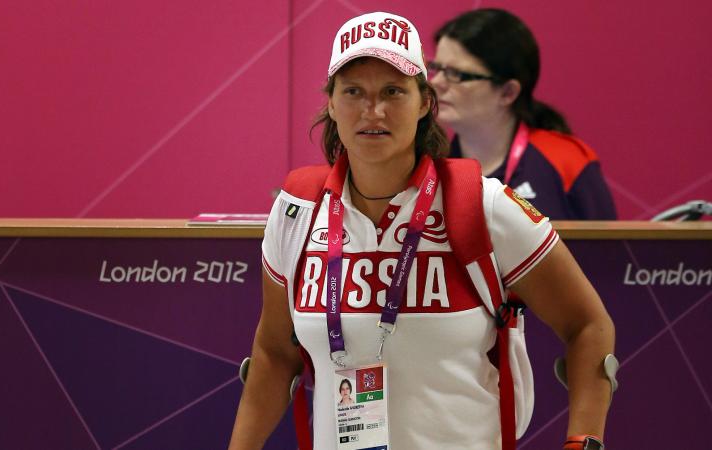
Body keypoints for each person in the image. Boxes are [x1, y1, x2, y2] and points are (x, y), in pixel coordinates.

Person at [229, 11, 615, 450]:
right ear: (331, 104)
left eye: (393, 91)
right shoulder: (296, 210)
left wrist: (583, 441)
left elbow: (588, 325)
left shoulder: (483, 205)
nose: (373, 110)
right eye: (354, 91)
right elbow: (275, 355)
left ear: (425, 103)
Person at [430, 8, 617, 220]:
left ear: (508, 92)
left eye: (456, 74)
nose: (436, 83)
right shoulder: (428, 167)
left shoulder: (566, 161)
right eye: (437, 68)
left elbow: (610, 252)